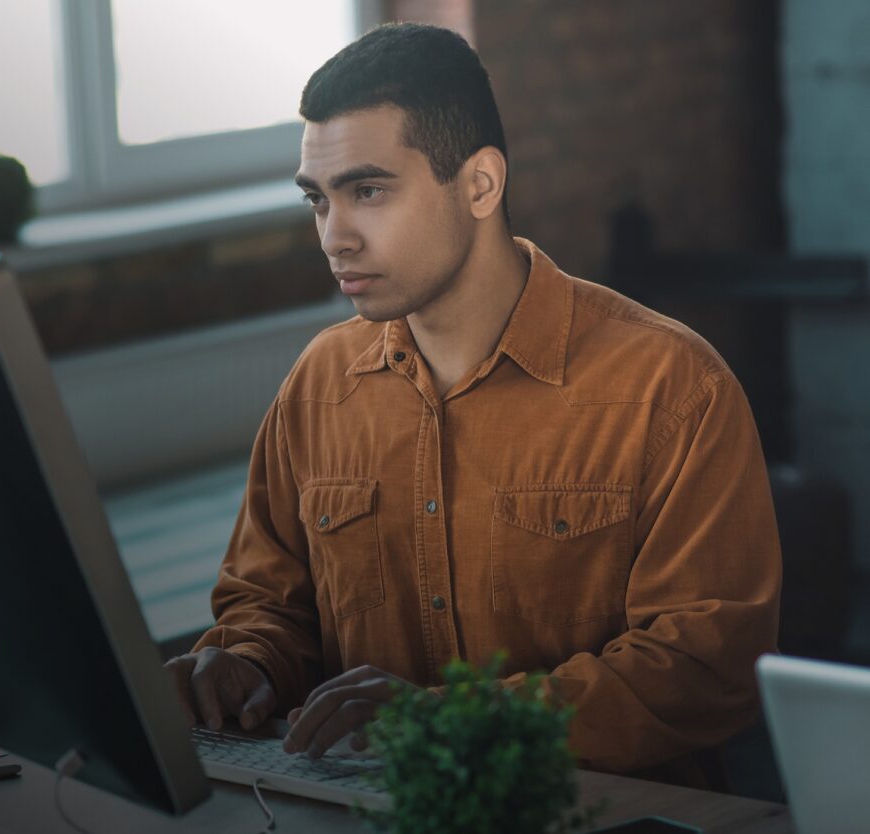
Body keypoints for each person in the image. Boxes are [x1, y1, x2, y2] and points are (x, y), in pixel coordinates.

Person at [164, 22, 781, 787]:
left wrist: (455, 721)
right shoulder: (321, 383)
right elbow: (269, 604)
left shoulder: (672, 387)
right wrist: (243, 664)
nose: (335, 237)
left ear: (481, 185)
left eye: (368, 191)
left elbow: (706, 668)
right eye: (318, 200)